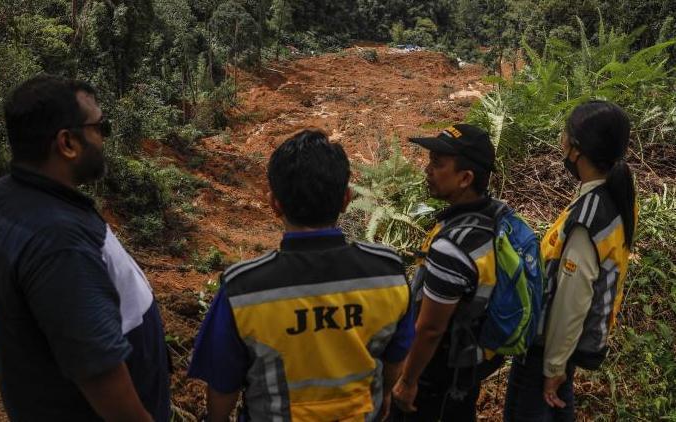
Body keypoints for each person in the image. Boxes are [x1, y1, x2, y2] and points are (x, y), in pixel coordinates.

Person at [0, 75, 171, 421]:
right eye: (99, 127)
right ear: (67, 143)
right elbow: (100, 370)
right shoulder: (61, 245)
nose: (104, 138)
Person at [188, 129, 414, 421]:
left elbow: (222, 385)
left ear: (275, 204)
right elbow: (396, 356)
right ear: (346, 200)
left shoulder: (242, 290)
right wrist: (383, 396)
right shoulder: (389, 273)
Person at [504, 100, 638, 421]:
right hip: (561, 352)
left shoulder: (588, 219)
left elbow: (571, 302)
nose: (561, 141)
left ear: (577, 150)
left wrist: (553, 367)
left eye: (566, 135)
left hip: (545, 353)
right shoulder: (614, 198)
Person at [391, 124, 506, 421]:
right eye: (430, 160)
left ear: (465, 178)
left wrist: (407, 381)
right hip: (468, 365)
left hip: (437, 374)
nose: (427, 169)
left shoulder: (454, 244)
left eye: (438, 164)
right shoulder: (495, 216)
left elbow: (431, 328)